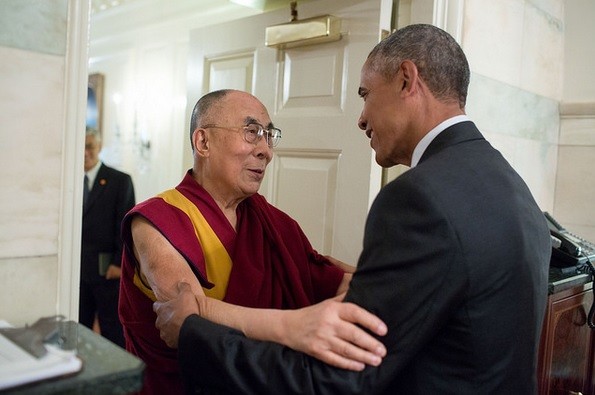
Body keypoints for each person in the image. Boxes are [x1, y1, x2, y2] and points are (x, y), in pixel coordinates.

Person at [153, 24, 552, 394]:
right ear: (202, 142)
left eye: (364, 94)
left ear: (406, 80)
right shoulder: (511, 184)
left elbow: (339, 377)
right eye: (251, 132)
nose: (360, 119)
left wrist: (195, 329)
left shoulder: (419, 199)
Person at [118, 89, 387, 395]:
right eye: (252, 132)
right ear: (203, 142)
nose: (266, 151)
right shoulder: (155, 220)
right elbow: (188, 323)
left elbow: (327, 278)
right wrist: (298, 326)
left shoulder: (273, 224)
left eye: (269, 135)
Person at [80, 126, 135, 348]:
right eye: (80, 146)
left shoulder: (119, 180)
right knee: (79, 329)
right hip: (77, 273)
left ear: (99, 147)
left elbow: (126, 225)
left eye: (89, 146)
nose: (84, 152)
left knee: (112, 329)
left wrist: (118, 263)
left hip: (107, 272)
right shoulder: (69, 180)